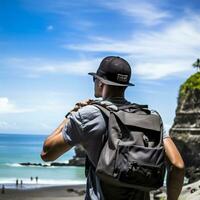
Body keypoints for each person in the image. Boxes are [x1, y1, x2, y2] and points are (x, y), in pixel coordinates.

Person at [41, 56, 185, 200]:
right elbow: (177, 166)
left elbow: (47, 153)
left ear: (100, 83)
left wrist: (71, 114)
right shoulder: (151, 117)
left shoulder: (88, 114)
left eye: (94, 79)